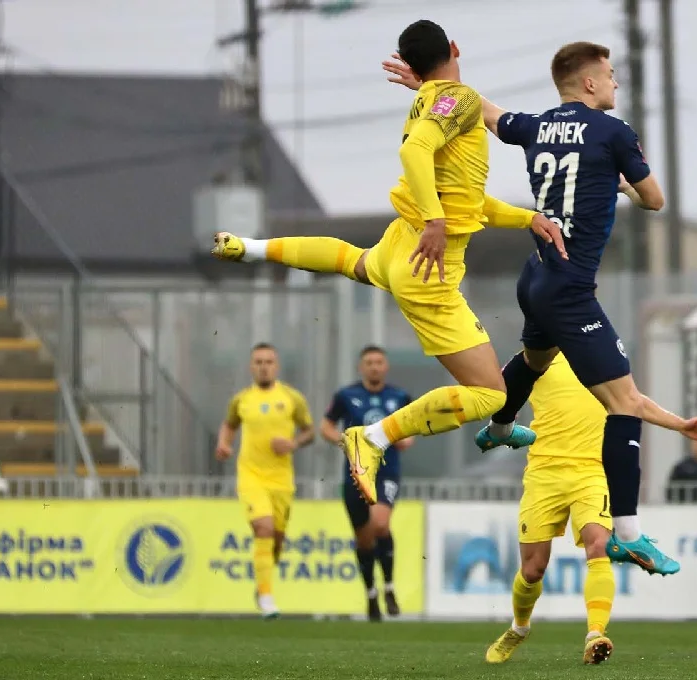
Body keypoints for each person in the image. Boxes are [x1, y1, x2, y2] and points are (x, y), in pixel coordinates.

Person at [381, 41, 697, 577]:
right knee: (624, 403)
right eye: (609, 75)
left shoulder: (537, 125)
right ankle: (629, 534)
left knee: (535, 361)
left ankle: (498, 424)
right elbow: (655, 199)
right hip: (568, 287)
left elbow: (488, 113)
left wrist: (429, 85)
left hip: (535, 275)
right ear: (588, 83)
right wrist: (624, 185)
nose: (614, 83)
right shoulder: (614, 133)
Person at [209, 19, 567, 508]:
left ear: (416, 70)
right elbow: (416, 150)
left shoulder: (433, 100)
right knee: (492, 395)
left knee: (352, 261)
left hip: (402, 244)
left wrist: (526, 218)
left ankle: (247, 247)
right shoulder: (459, 100)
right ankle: (373, 438)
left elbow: (469, 199)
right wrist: (437, 223)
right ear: (456, 48)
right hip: (429, 268)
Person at [484, 353, 616, 666]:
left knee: (600, 546)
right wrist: (497, 428)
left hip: (591, 470)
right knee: (533, 569)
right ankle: (519, 627)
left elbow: (630, 399)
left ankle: (595, 634)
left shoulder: (603, 351)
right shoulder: (534, 356)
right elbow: (500, 395)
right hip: (545, 473)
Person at [215, 342, 315, 619]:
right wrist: (224, 444)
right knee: (264, 529)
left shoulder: (292, 398)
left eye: (268, 361)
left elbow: (309, 431)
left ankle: (262, 585)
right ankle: (267, 597)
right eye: (258, 361)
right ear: (251, 366)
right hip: (251, 475)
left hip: (282, 479)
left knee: (278, 540)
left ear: (277, 365)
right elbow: (229, 424)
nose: (263, 366)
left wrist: (293, 443)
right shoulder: (241, 400)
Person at [320, 346, 413, 621]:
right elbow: (325, 426)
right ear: (361, 367)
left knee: (380, 524)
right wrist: (344, 441)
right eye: (369, 362)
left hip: (387, 471)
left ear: (386, 367)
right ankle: (371, 594)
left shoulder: (399, 397)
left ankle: (389, 587)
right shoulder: (346, 396)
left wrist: (405, 438)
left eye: (379, 362)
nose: (374, 367)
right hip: (355, 474)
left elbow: (412, 429)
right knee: (364, 539)